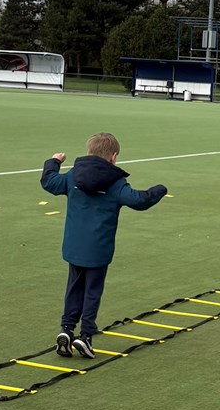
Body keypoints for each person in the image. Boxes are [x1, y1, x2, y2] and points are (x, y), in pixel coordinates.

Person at [41, 132, 167, 358]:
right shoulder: (115, 182)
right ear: (113, 157)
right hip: (98, 249)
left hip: (74, 246)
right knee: (92, 292)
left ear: (90, 151)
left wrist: (54, 162)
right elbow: (139, 200)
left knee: (74, 287)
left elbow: (49, 182)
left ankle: (67, 329)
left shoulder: (73, 175)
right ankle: (86, 336)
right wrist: (159, 190)